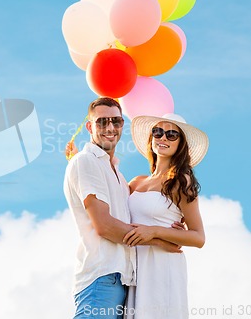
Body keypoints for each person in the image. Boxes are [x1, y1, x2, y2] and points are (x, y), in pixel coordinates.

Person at [63, 98, 182, 319]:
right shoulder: (86, 161)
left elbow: (139, 208)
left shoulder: (116, 173)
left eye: (116, 121)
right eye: (101, 122)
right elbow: (105, 226)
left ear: (122, 125)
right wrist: (158, 240)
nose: (110, 128)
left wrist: (168, 223)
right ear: (89, 127)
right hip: (101, 278)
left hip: (121, 280)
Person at [122, 115, 209, 319]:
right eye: (157, 132)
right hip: (135, 265)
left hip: (163, 267)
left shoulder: (180, 182)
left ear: (180, 144)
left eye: (171, 134)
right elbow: (109, 201)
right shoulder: (136, 182)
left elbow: (198, 237)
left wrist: (154, 231)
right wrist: (81, 161)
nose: (163, 138)